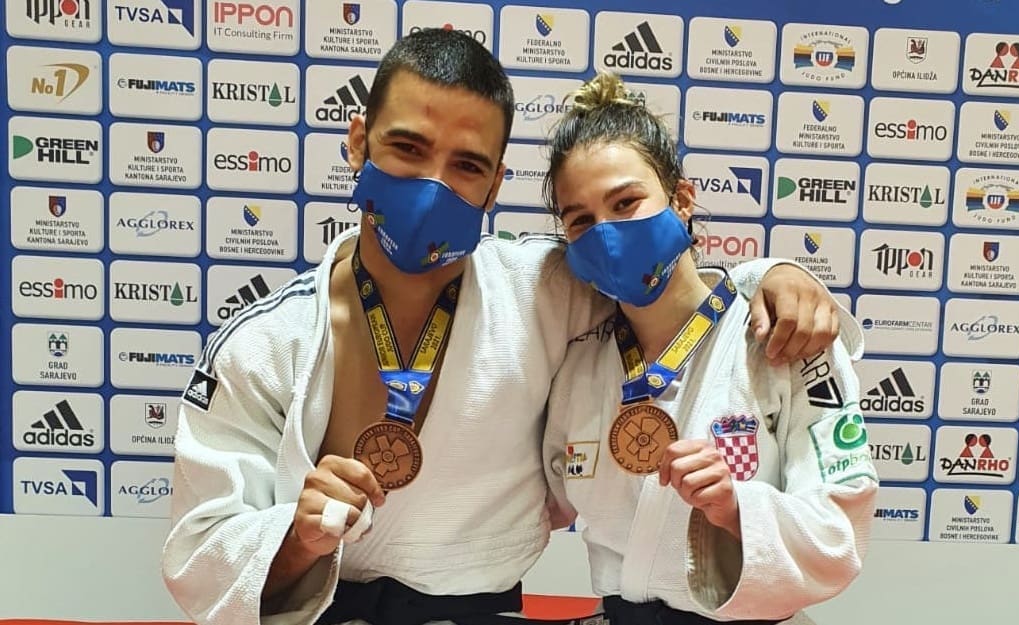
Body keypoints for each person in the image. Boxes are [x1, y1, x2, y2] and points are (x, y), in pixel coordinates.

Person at [160, 30, 861, 625]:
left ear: (493, 185)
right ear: (358, 142)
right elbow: (198, 550)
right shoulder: (264, 343)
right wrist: (296, 542)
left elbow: (673, 291)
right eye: (408, 148)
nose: (434, 185)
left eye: (466, 165)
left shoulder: (543, 288)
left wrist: (770, 277)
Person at [541, 73, 878, 625]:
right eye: (581, 220)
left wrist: (735, 510)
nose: (605, 232)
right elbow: (541, 501)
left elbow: (840, 529)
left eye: (626, 203)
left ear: (682, 200)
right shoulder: (578, 361)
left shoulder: (783, 337)